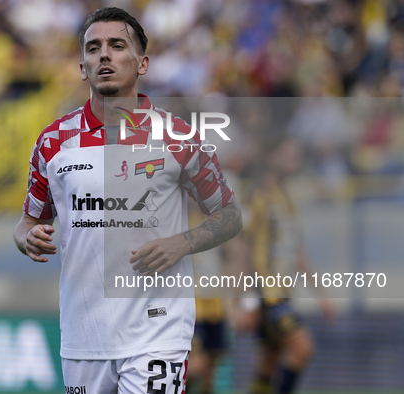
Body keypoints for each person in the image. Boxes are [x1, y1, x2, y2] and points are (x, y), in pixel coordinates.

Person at [13, 7, 242, 393]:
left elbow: (230, 215)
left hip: (158, 330)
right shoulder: (53, 143)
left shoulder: (178, 138)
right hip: (84, 335)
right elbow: (29, 222)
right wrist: (27, 238)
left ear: (142, 63)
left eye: (117, 46)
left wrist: (182, 243)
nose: (104, 55)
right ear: (82, 67)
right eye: (93, 48)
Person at [234, 138, 335, 394]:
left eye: (296, 155)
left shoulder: (287, 198)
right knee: (302, 348)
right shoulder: (257, 195)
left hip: (282, 291)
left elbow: (297, 251)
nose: (294, 160)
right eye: (288, 154)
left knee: (268, 362)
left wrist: (320, 293)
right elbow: (243, 246)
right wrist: (245, 299)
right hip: (266, 292)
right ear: (272, 158)